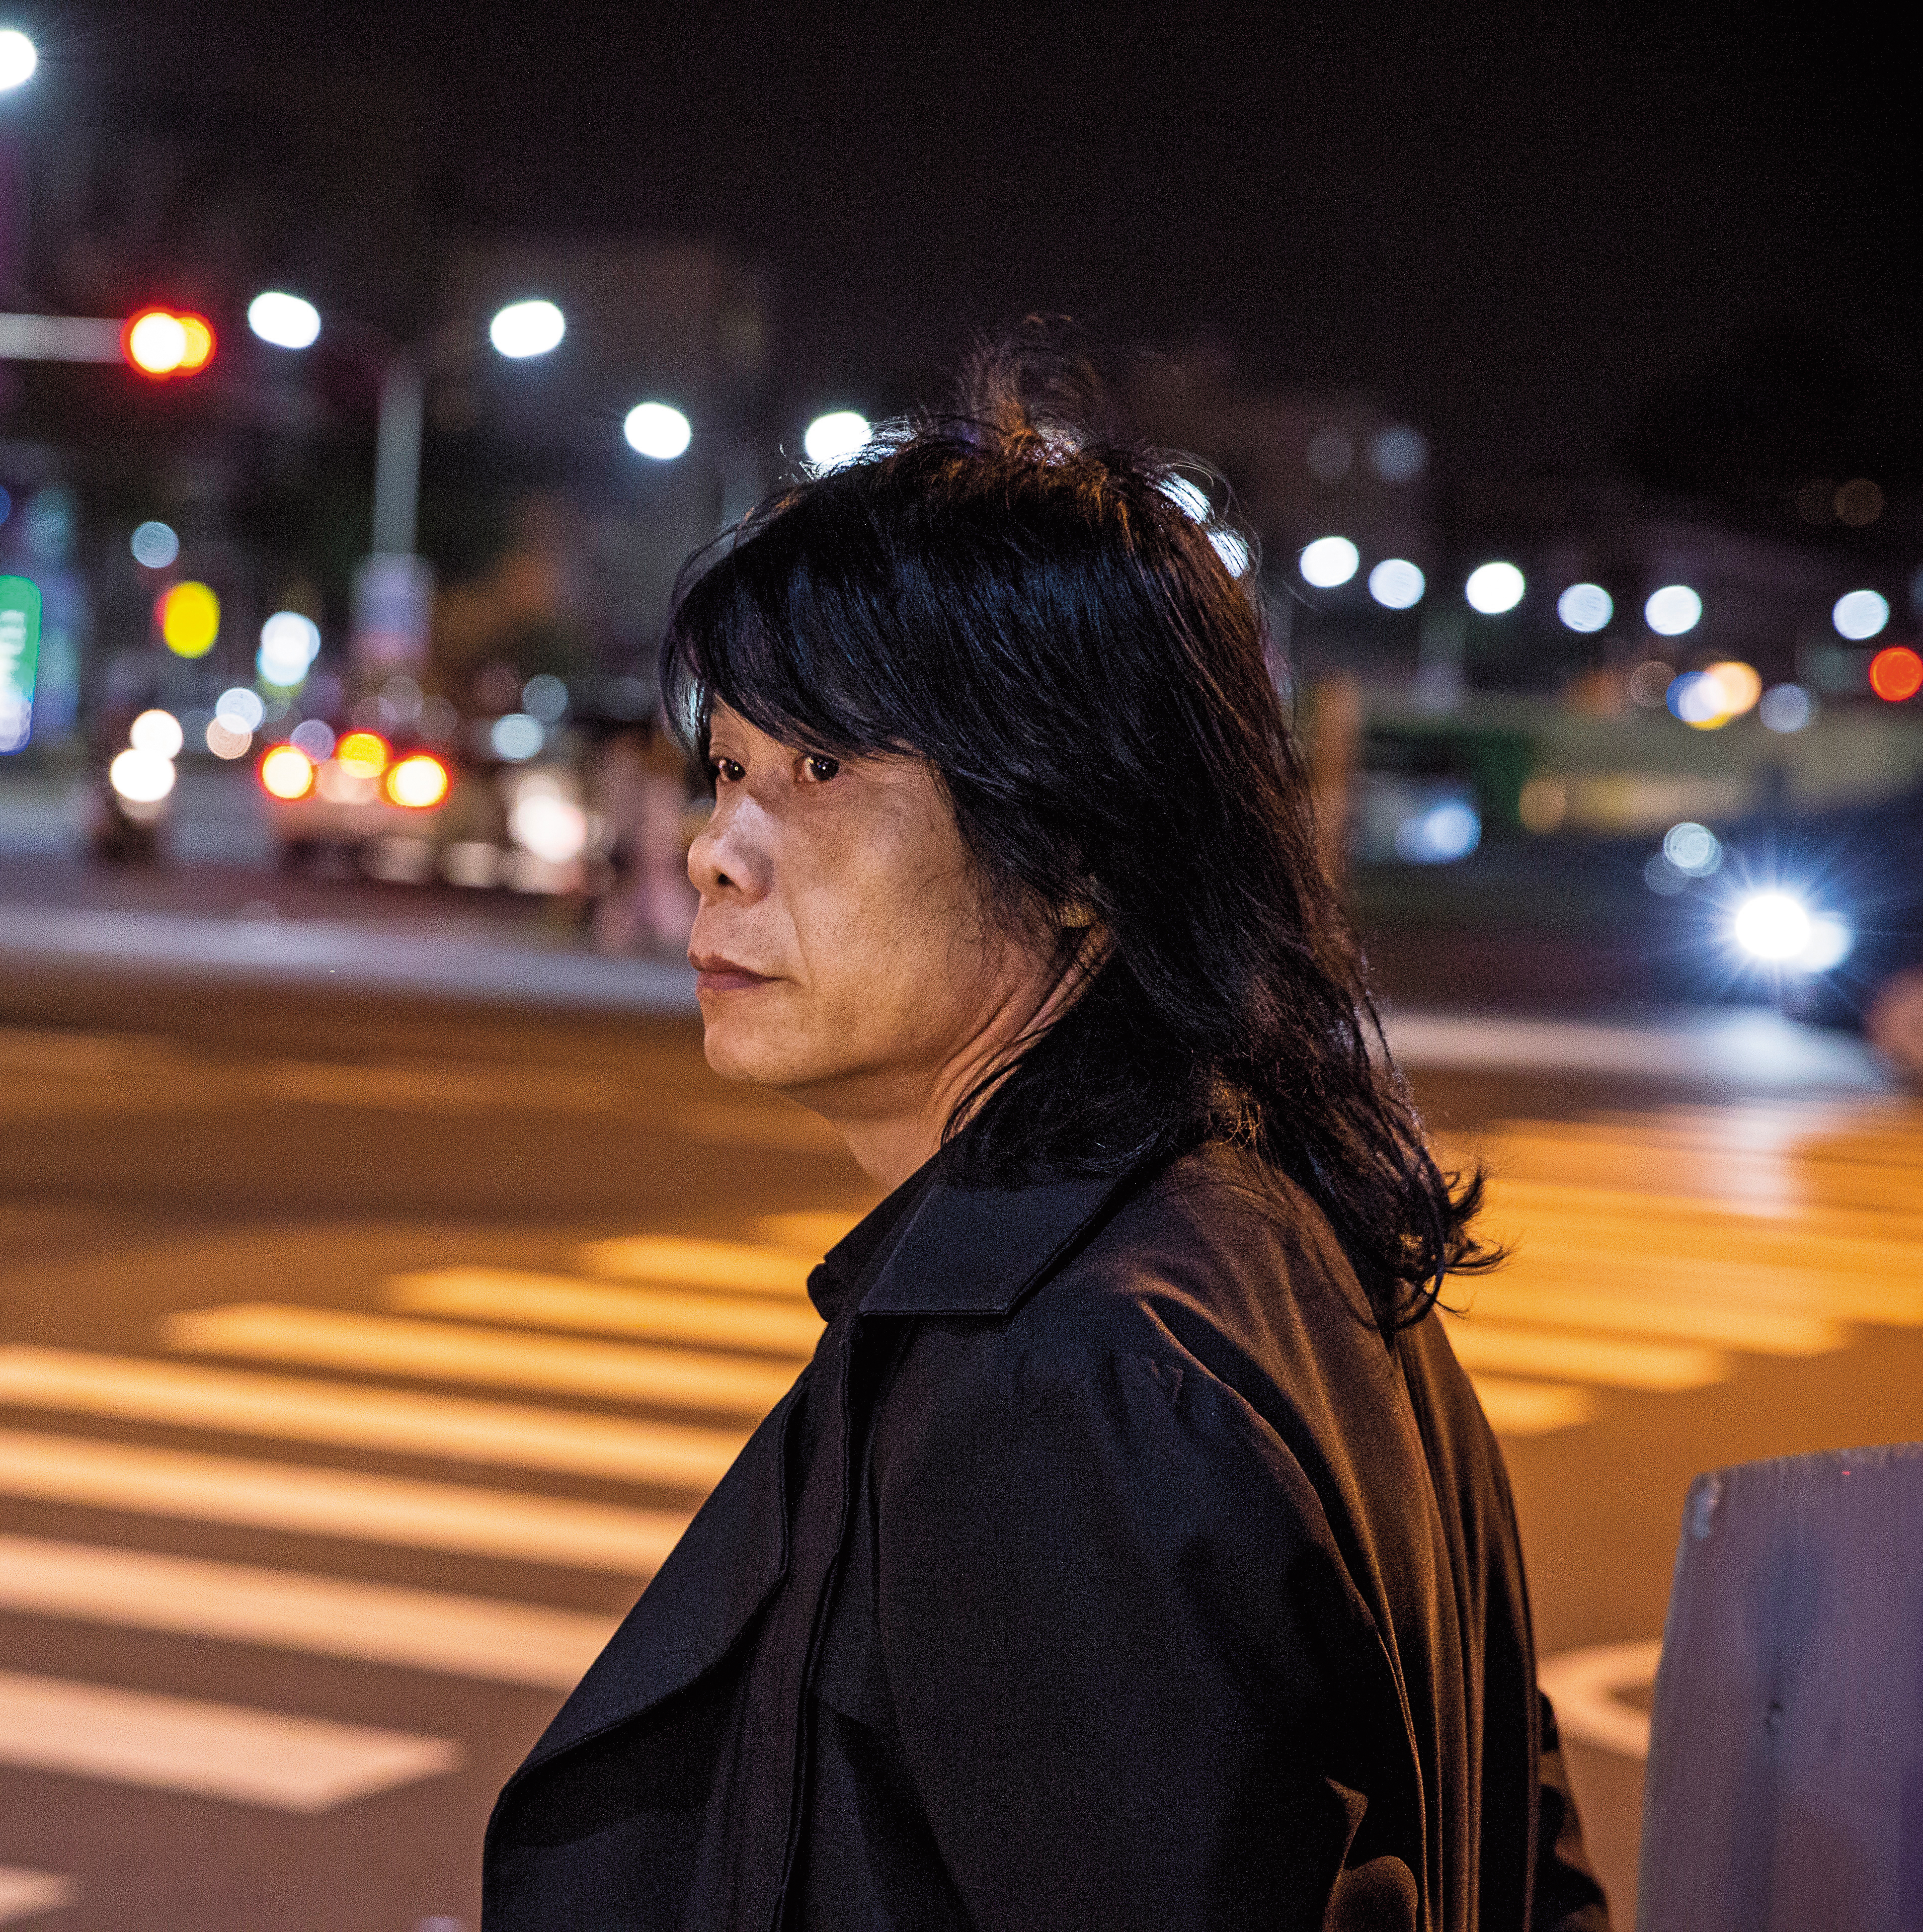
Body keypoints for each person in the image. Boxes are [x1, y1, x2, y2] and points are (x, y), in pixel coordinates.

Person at [483, 349, 1612, 1932]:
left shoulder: (1068, 1381)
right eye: (727, 766)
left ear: (1081, 848)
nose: (718, 850)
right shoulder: (1267, 1232)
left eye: (820, 770)